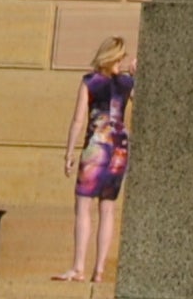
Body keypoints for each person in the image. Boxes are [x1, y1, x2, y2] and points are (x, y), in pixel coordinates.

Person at [59, 36, 133, 283]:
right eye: (120, 57)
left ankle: (79, 267)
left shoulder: (91, 82)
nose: (121, 62)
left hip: (97, 147)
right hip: (120, 150)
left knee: (83, 206)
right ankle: (98, 270)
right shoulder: (126, 83)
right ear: (112, 57)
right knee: (107, 208)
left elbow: (78, 120)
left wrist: (69, 151)